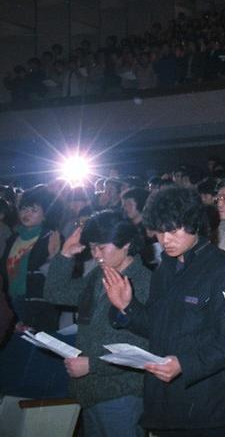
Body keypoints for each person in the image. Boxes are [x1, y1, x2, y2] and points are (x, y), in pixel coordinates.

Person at [103, 186, 225, 437]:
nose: (164, 239)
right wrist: (128, 306)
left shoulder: (223, 267)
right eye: (159, 231)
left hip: (210, 406)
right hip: (167, 406)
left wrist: (185, 364)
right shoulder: (164, 269)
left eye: (172, 230)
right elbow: (159, 328)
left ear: (194, 225)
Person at [43, 211, 151, 437]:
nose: (96, 255)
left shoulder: (143, 280)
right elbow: (55, 293)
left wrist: (93, 365)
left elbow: (143, 344)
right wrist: (64, 255)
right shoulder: (98, 276)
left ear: (127, 245)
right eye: (92, 248)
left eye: (102, 247)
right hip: (91, 389)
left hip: (123, 390)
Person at [1, 185, 61, 332]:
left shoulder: (50, 237)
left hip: (37, 302)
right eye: (24, 208)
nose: (26, 213)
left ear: (45, 214)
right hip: (11, 300)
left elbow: (57, 276)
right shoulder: (14, 237)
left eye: (34, 210)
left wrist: (55, 256)